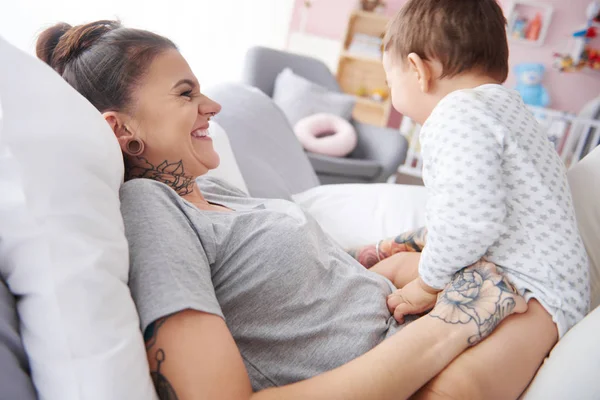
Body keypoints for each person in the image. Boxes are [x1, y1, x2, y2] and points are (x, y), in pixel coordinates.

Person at [36, 20, 527, 400]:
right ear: (123, 132)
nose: (212, 106)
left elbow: (314, 275)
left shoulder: (218, 191)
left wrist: (399, 248)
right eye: (186, 93)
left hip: (432, 332)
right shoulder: (152, 209)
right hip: (428, 369)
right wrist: (454, 326)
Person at [351, 0, 590, 398]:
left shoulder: (455, 114)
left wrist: (428, 285)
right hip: (503, 268)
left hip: (535, 290)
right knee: (392, 267)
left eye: (391, 81)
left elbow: (471, 221)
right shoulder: (507, 108)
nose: (393, 90)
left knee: (458, 387)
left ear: (417, 70)